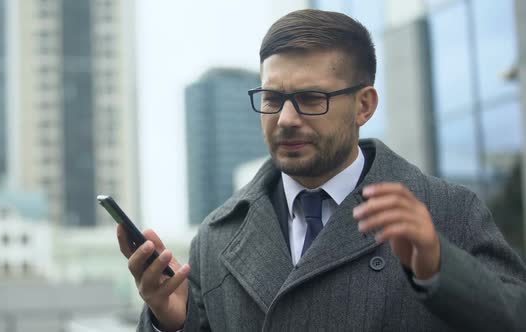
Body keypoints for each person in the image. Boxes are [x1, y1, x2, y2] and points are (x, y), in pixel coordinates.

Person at [117, 9, 526, 331]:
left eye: (311, 98)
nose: (286, 119)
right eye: (273, 98)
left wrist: (439, 266)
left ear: (364, 105)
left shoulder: (446, 210)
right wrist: (169, 321)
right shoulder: (216, 237)